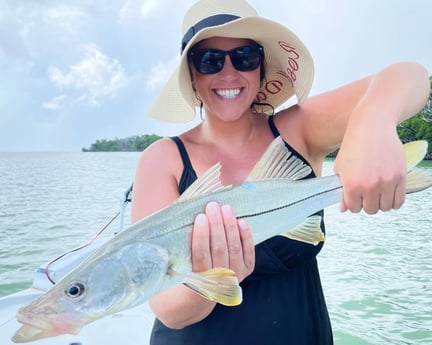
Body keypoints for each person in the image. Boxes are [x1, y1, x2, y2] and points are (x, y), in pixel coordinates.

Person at [131, 0, 430, 344]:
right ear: (192, 75)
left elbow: (410, 75)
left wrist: (372, 123)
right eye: (210, 60)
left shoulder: (297, 129)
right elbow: (168, 308)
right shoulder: (163, 158)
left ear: (261, 67)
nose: (228, 73)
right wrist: (220, 277)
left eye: (244, 56)